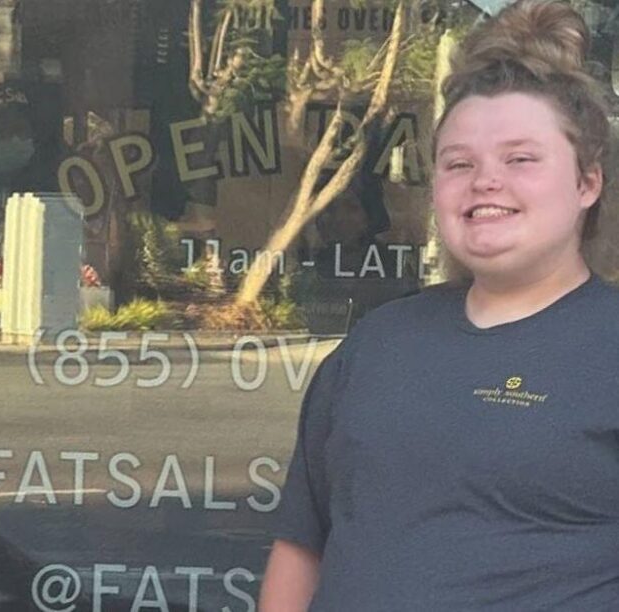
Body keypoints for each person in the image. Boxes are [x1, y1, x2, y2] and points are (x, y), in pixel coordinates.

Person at [260, 1, 619, 609]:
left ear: (588, 182)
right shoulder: (377, 344)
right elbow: (301, 547)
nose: (485, 181)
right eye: (459, 163)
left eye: (520, 158)